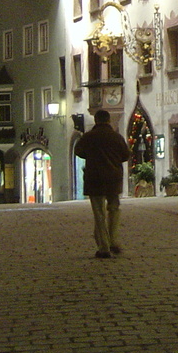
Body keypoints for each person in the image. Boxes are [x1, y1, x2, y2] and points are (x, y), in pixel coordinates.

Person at [74, 109, 132, 258]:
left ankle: (104, 247)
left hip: (95, 178)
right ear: (108, 120)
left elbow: (78, 151)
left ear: (96, 120)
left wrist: (91, 156)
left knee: (99, 213)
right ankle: (114, 241)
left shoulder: (89, 137)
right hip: (113, 178)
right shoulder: (116, 137)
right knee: (114, 210)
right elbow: (126, 155)